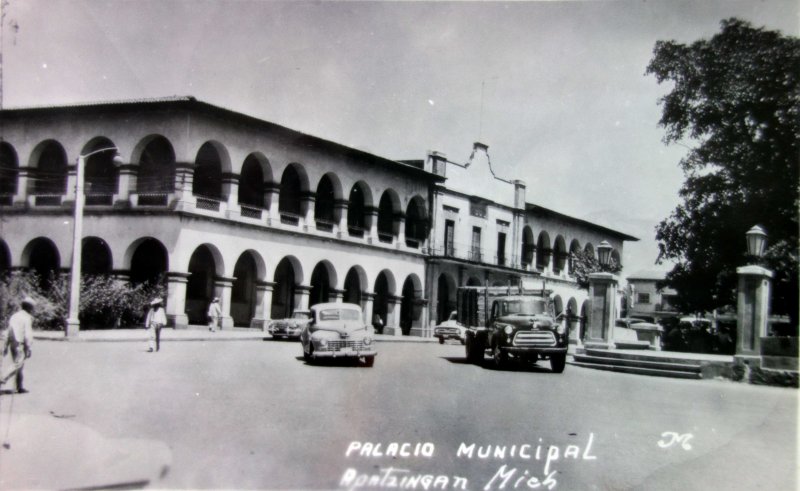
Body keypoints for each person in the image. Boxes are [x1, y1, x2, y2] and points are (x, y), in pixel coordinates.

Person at [0, 296, 35, 394]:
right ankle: (3, 377)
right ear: (30, 308)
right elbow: (28, 334)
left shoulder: (15, 315)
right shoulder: (27, 318)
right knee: (18, 363)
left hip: (12, 341)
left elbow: (9, 330)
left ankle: (20, 386)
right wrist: (29, 348)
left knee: (20, 364)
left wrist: (6, 345)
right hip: (20, 342)